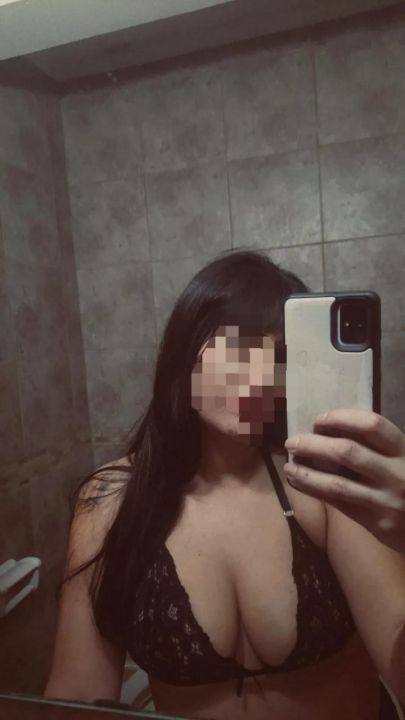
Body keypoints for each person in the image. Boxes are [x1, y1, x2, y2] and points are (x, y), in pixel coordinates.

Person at [44, 250, 405, 720]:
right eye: (239, 348)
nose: (262, 376)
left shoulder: (324, 483)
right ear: (184, 355)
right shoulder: (111, 502)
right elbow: (77, 696)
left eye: (281, 356)